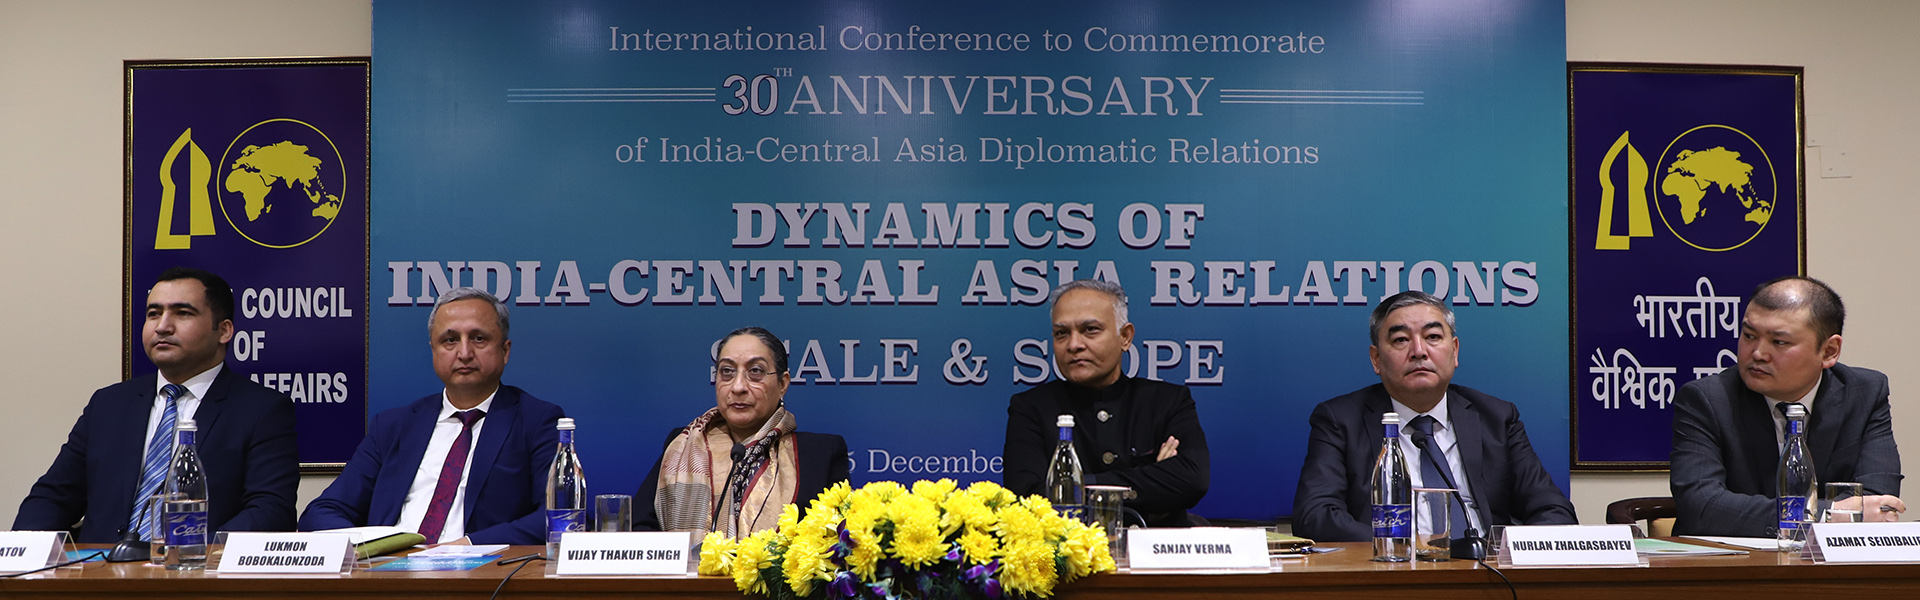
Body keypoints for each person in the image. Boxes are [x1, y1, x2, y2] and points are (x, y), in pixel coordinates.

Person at [15, 267, 299, 543]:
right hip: (101, 576)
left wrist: (189, 550)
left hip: (195, 577)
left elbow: (271, 512)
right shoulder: (109, 404)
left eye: (182, 313)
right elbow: (52, 498)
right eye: (153, 314)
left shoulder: (262, 410)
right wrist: (26, 560)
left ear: (223, 331)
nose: (162, 326)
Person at [1293, 290, 1574, 542]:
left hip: (1488, 578)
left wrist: (1509, 552)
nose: (1418, 351)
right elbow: (1314, 516)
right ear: (1376, 359)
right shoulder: (1340, 420)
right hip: (1391, 577)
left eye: (1433, 337)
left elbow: (1554, 510)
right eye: (1401, 340)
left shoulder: (1497, 418)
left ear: (1454, 351)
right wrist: (1404, 546)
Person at [298, 288, 565, 545]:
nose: (464, 353)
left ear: (505, 350)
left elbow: (559, 515)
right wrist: (371, 548)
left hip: (479, 577)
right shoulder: (393, 427)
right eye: (450, 340)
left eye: (478, 338)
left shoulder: (537, 421)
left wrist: (469, 545)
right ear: (433, 350)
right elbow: (322, 511)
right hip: (386, 576)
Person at [1671, 276, 1905, 536]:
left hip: (1833, 570)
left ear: (1829, 351)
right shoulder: (1707, 400)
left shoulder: (1865, 393)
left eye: (1779, 342)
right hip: (1736, 568)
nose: (1758, 353)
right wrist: (1828, 516)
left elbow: (1878, 503)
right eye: (1749, 335)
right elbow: (1702, 507)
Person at [1003, 280, 1210, 527]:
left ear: (1125, 337)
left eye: (1090, 329)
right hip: (1065, 561)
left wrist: (1069, 487)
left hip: (1155, 559)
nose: (1074, 344)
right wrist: (1154, 494)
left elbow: (1192, 480)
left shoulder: (1168, 401)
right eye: (1062, 333)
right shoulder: (1031, 408)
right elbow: (1028, 498)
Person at [634, 326, 851, 538]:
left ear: (783, 383)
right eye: (727, 372)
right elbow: (638, 531)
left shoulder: (820, 455)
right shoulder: (683, 444)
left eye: (755, 372)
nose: (738, 387)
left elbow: (838, 542)